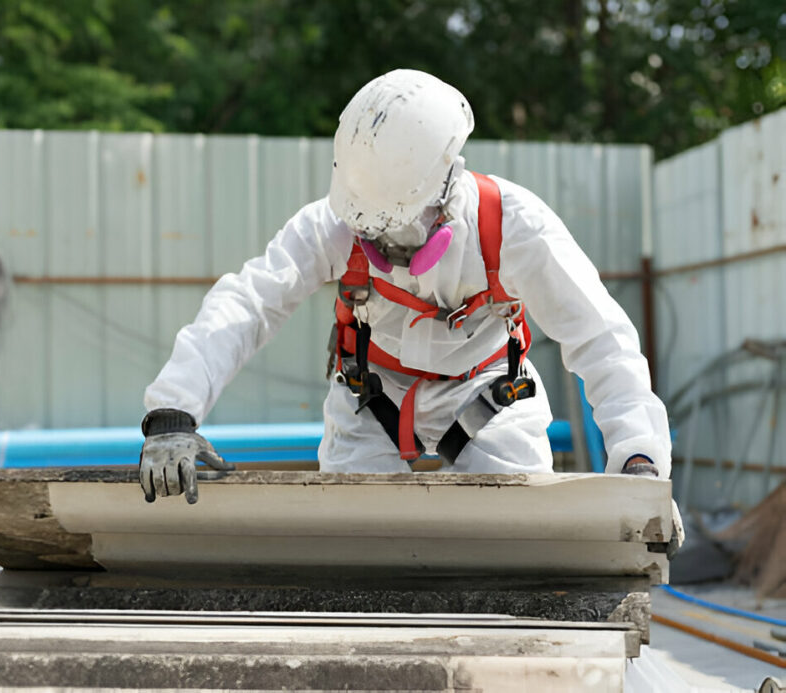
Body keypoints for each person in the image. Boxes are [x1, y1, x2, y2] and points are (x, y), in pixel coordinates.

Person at [138, 69, 671, 504]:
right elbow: (251, 301)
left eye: (395, 227)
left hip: (490, 391)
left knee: (514, 539)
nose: (380, 246)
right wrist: (173, 411)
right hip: (372, 392)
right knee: (357, 554)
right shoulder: (336, 222)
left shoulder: (514, 226)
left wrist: (638, 458)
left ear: (447, 184)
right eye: (372, 230)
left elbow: (600, 337)